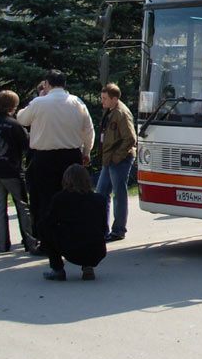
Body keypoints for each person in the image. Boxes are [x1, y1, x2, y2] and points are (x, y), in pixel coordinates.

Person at [16, 70, 94, 249]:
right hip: (71, 155)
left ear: (47, 84)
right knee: (73, 198)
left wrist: (36, 100)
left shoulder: (39, 102)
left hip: (45, 157)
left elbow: (22, 118)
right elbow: (88, 130)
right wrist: (86, 151)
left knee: (46, 200)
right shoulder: (76, 102)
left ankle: (48, 243)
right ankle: (71, 238)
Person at [0, 90, 38, 253]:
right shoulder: (14, 125)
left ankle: (2, 244)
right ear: (13, 106)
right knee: (22, 206)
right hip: (12, 171)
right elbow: (26, 146)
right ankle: (29, 241)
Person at [42, 163, 108, 281]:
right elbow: (104, 228)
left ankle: (57, 269)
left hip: (71, 248)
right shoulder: (99, 199)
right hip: (97, 250)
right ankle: (88, 266)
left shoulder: (60, 199)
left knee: (47, 229)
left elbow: (48, 222)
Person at [96, 83, 137, 242]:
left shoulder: (121, 113)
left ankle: (118, 230)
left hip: (119, 160)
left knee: (119, 194)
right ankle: (101, 229)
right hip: (109, 159)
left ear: (114, 98)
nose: (102, 101)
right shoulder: (110, 111)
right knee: (100, 194)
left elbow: (130, 138)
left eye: (105, 98)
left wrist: (117, 157)